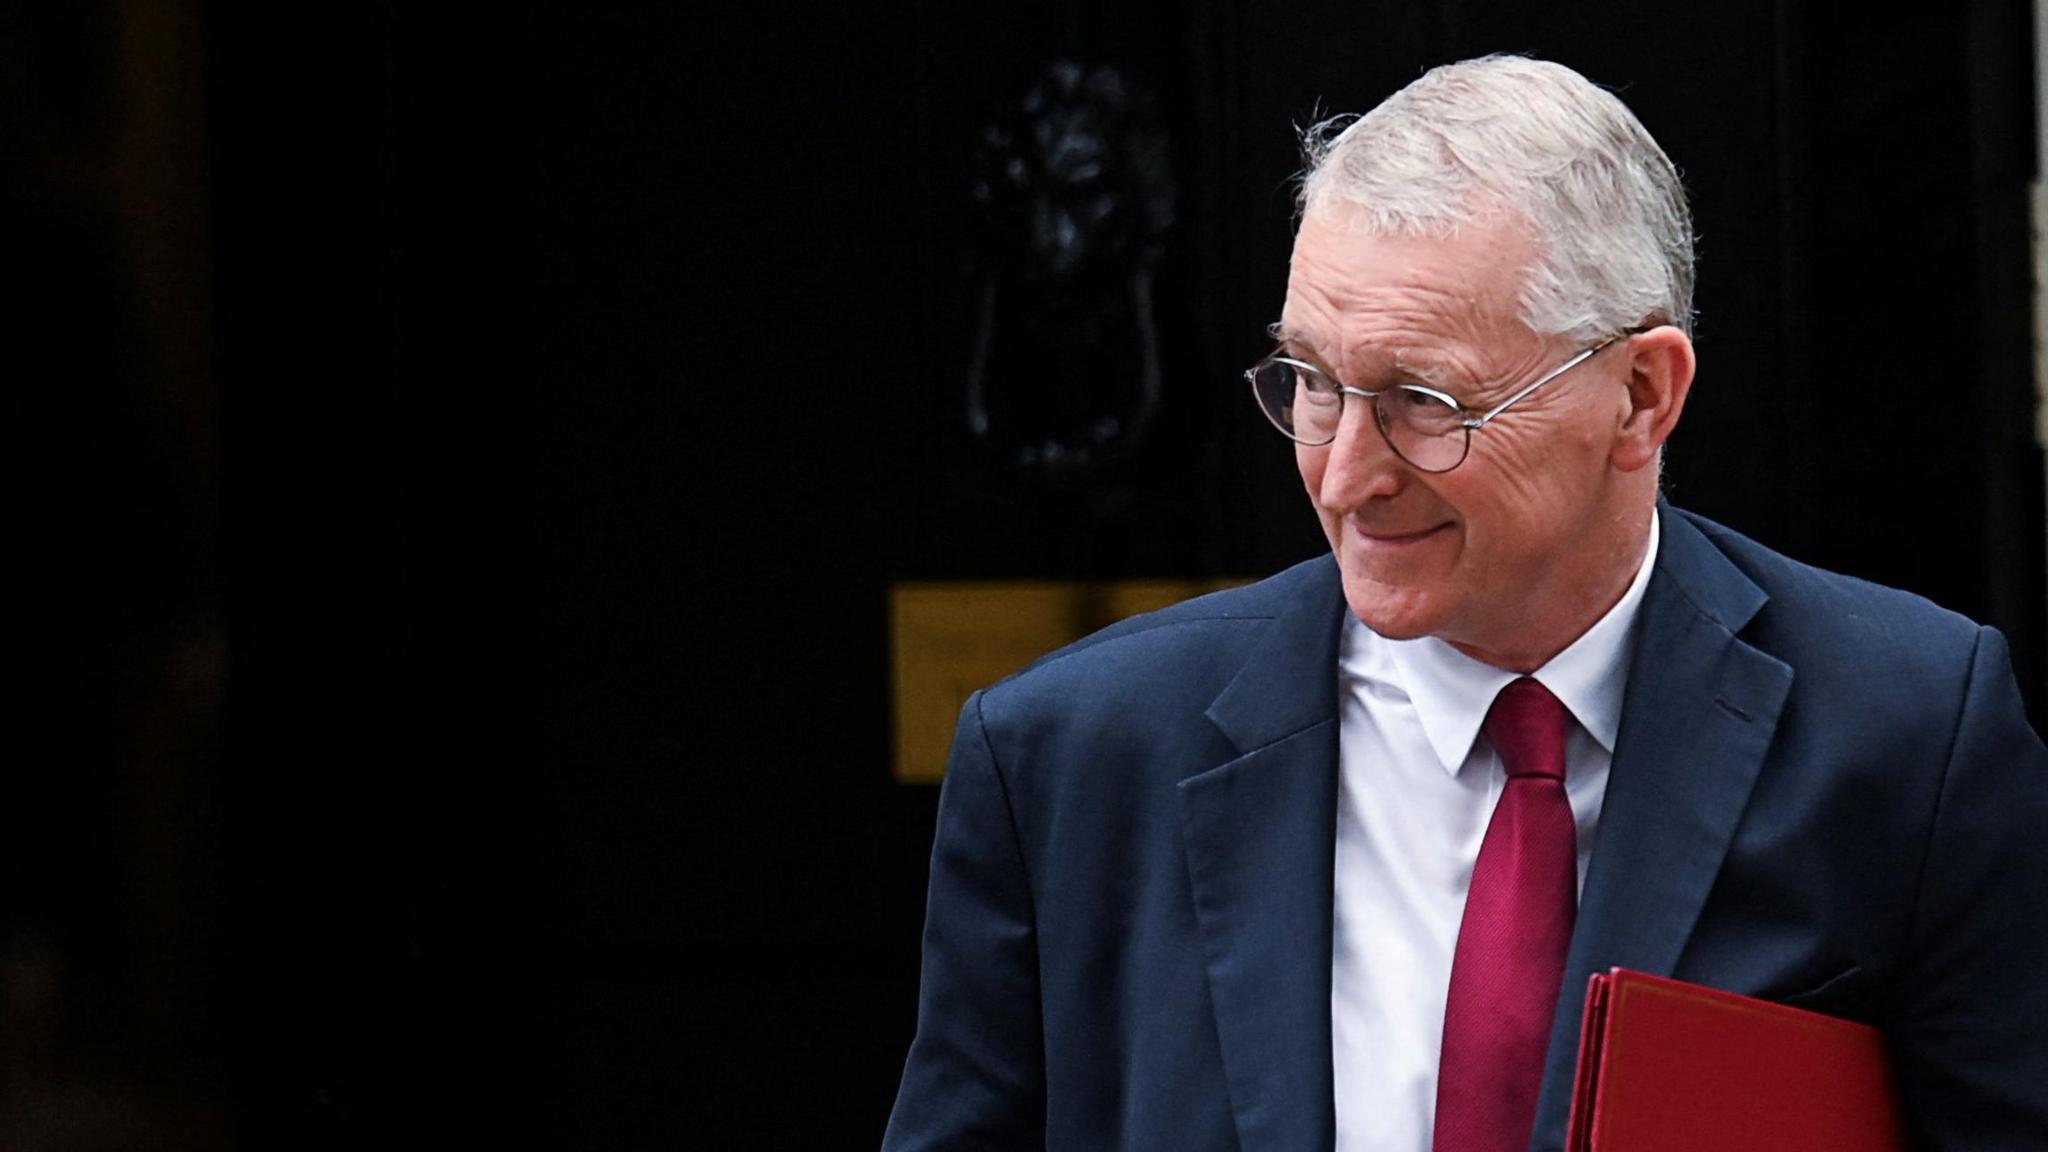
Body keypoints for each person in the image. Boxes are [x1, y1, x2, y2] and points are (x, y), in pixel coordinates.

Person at [882, 55, 2048, 1152]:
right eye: (1310, 384)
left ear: (1640, 395)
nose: (1344, 476)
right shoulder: (1070, 760)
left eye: (1422, 401)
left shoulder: (1906, 737)